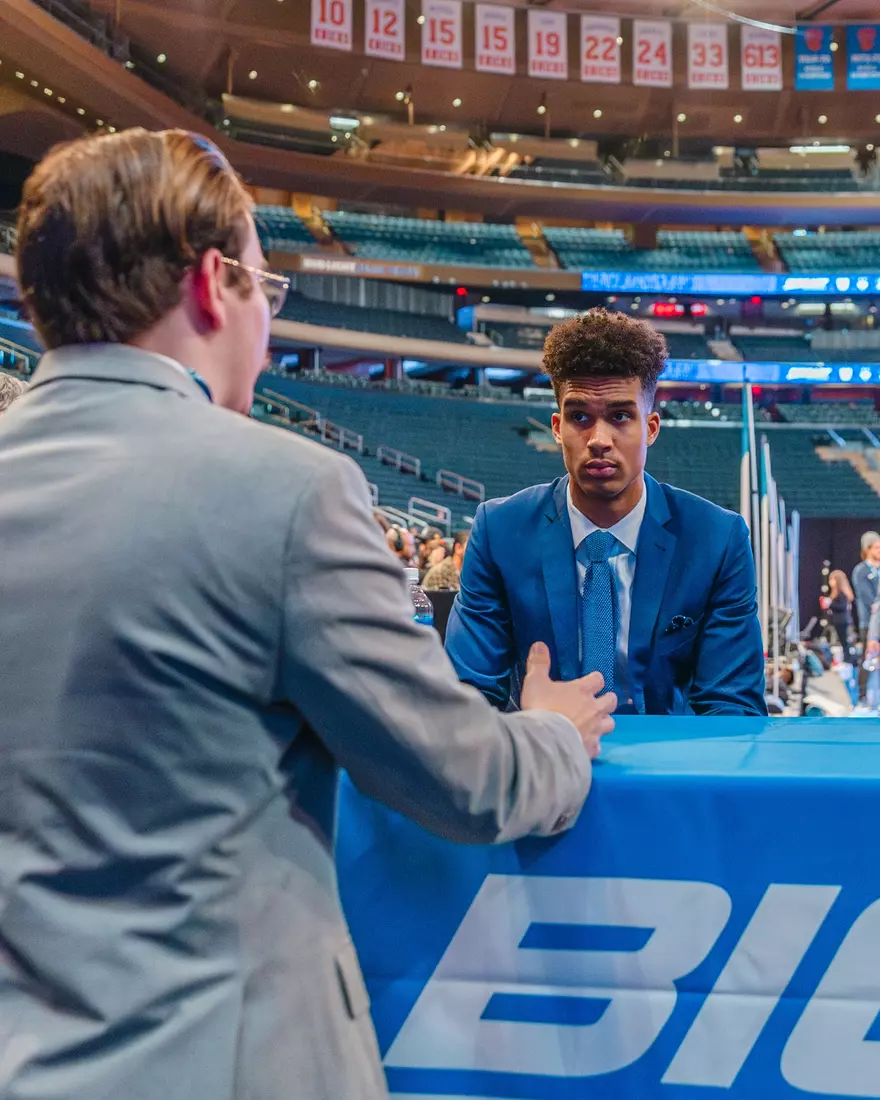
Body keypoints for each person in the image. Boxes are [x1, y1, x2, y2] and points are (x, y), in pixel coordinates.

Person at [0, 128, 617, 1100]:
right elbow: (463, 778)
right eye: (267, 290)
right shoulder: (284, 489)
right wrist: (553, 732)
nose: (270, 328)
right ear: (214, 284)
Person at [446, 308, 766, 717]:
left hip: (672, 769)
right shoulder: (500, 531)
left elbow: (732, 706)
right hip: (542, 761)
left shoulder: (717, 539)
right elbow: (467, 696)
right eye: (580, 417)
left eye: (619, 416)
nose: (599, 439)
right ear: (558, 427)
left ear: (650, 427)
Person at [851, 530, 880, 702]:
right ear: (868, 549)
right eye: (876, 547)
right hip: (868, 622)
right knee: (868, 658)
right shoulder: (861, 571)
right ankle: (862, 695)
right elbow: (868, 598)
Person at [822, 569, 856, 669]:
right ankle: (846, 660)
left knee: (845, 642)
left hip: (843, 621)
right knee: (843, 642)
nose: (830, 582)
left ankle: (848, 661)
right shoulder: (836, 593)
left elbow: (842, 607)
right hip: (839, 621)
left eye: (832, 579)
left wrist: (830, 604)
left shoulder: (841, 594)